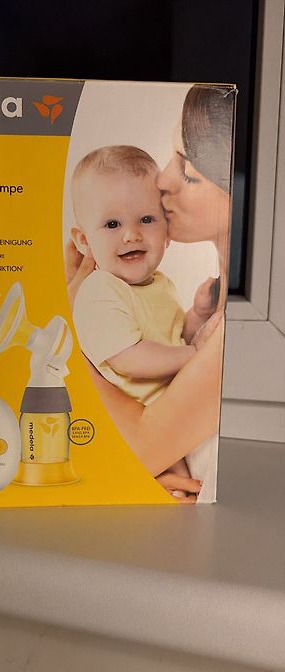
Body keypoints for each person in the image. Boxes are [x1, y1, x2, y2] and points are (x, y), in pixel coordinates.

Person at [65, 84, 233, 501]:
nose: (164, 180)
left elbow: (145, 441)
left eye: (188, 171)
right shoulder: (107, 289)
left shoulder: (229, 329)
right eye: (112, 225)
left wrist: (64, 338)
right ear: (83, 239)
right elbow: (144, 358)